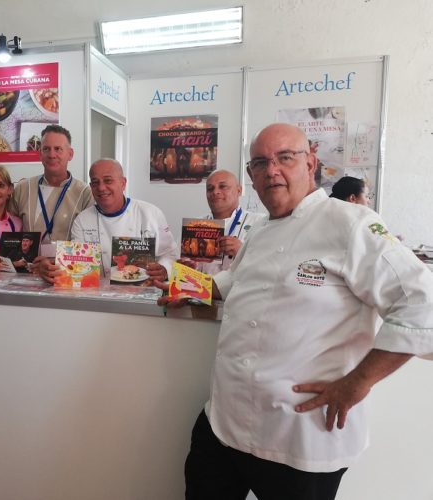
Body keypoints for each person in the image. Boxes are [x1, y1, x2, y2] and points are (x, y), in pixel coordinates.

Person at [171, 123, 433, 500]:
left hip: (300, 435)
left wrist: (358, 382)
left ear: (311, 162)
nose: (272, 170)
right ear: (251, 175)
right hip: (224, 420)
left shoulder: (352, 224)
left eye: (285, 157)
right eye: (260, 163)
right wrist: (180, 283)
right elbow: (231, 282)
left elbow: (421, 302)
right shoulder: (260, 231)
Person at [40, 159, 178, 283]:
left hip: (142, 294)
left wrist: (165, 269)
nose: (101, 188)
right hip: (98, 295)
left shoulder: (150, 213)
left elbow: (170, 253)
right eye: (95, 182)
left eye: (108, 181)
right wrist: (52, 266)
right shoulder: (83, 220)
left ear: (123, 183)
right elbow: (77, 263)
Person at [9, 124, 93, 244]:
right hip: (28, 256)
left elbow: (89, 239)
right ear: (40, 154)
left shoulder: (84, 193)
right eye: (46, 149)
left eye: (58, 149)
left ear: (70, 154)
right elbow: (10, 231)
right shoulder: (23, 188)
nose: (52, 155)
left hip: (67, 257)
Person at [198, 169, 265, 273]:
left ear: (239, 190)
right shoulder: (194, 225)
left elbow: (271, 267)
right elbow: (176, 265)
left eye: (223, 186)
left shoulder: (260, 222)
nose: (215, 192)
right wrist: (183, 265)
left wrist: (241, 251)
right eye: (210, 188)